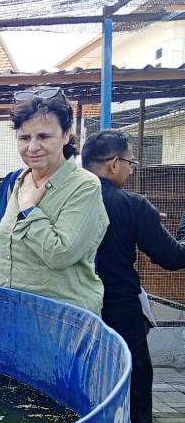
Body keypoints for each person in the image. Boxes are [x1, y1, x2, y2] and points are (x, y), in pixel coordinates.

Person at [82, 130, 185, 423]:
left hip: (73, 309)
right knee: (134, 383)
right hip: (120, 311)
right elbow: (172, 257)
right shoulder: (131, 205)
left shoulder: (60, 198)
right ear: (114, 164)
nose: (131, 169)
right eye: (131, 163)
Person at [0, 87, 108, 315]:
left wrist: (29, 210)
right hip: (16, 312)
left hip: (64, 318)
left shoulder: (84, 185)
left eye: (44, 136)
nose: (33, 147)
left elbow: (60, 254)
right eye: (25, 137)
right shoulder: (20, 180)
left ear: (66, 134)